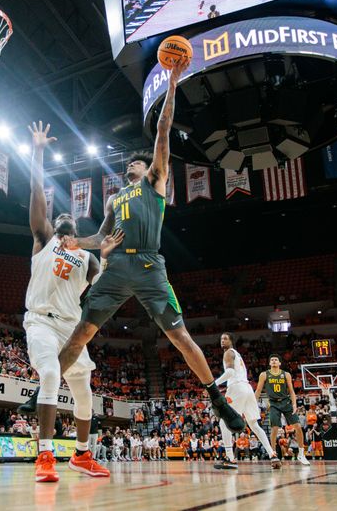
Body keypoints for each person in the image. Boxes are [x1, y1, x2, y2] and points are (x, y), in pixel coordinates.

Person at [19, 63, 244, 437]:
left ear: (148, 167)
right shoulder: (113, 200)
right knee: (80, 335)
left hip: (149, 265)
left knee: (179, 337)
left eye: (136, 161)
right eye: (130, 163)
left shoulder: (155, 182)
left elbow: (163, 130)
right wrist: (83, 243)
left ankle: (216, 398)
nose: (131, 164)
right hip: (118, 266)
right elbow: (100, 239)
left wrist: (172, 87)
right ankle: (42, 394)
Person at [18, 121, 115, 483]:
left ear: (75, 228)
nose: (62, 218)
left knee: (85, 394)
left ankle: (81, 454)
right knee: (48, 373)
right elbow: (35, 192)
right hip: (41, 321)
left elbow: (102, 285)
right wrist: (39, 150)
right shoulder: (44, 238)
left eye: (68, 218)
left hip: (72, 329)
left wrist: (105, 256)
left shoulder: (85, 256)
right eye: (58, 216)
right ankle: (44, 454)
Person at [213, 332, 281, 469]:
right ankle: (272, 455)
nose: (222, 341)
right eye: (221, 339)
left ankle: (230, 458)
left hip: (237, 388)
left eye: (225, 338)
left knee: (223, 422)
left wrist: (214, 384)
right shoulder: (237, 354)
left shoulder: (228, 353)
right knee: (254, 424)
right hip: (247, 388)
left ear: (231, 341)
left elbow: (231, 373)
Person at [254, 354, 310, 466]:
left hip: (286, 402)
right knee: (274, 428)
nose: (274, 361)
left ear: (279, 363)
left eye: (276, 360)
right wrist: (253, 404)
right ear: (269, 363)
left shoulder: (286, 374)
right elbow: (258, 390)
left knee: (298, 427)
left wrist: (294, 404)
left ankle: (301, 454)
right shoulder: (264, 374)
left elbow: (292, 391)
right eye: (272, 360)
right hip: (273, 403)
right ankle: (273, 454)